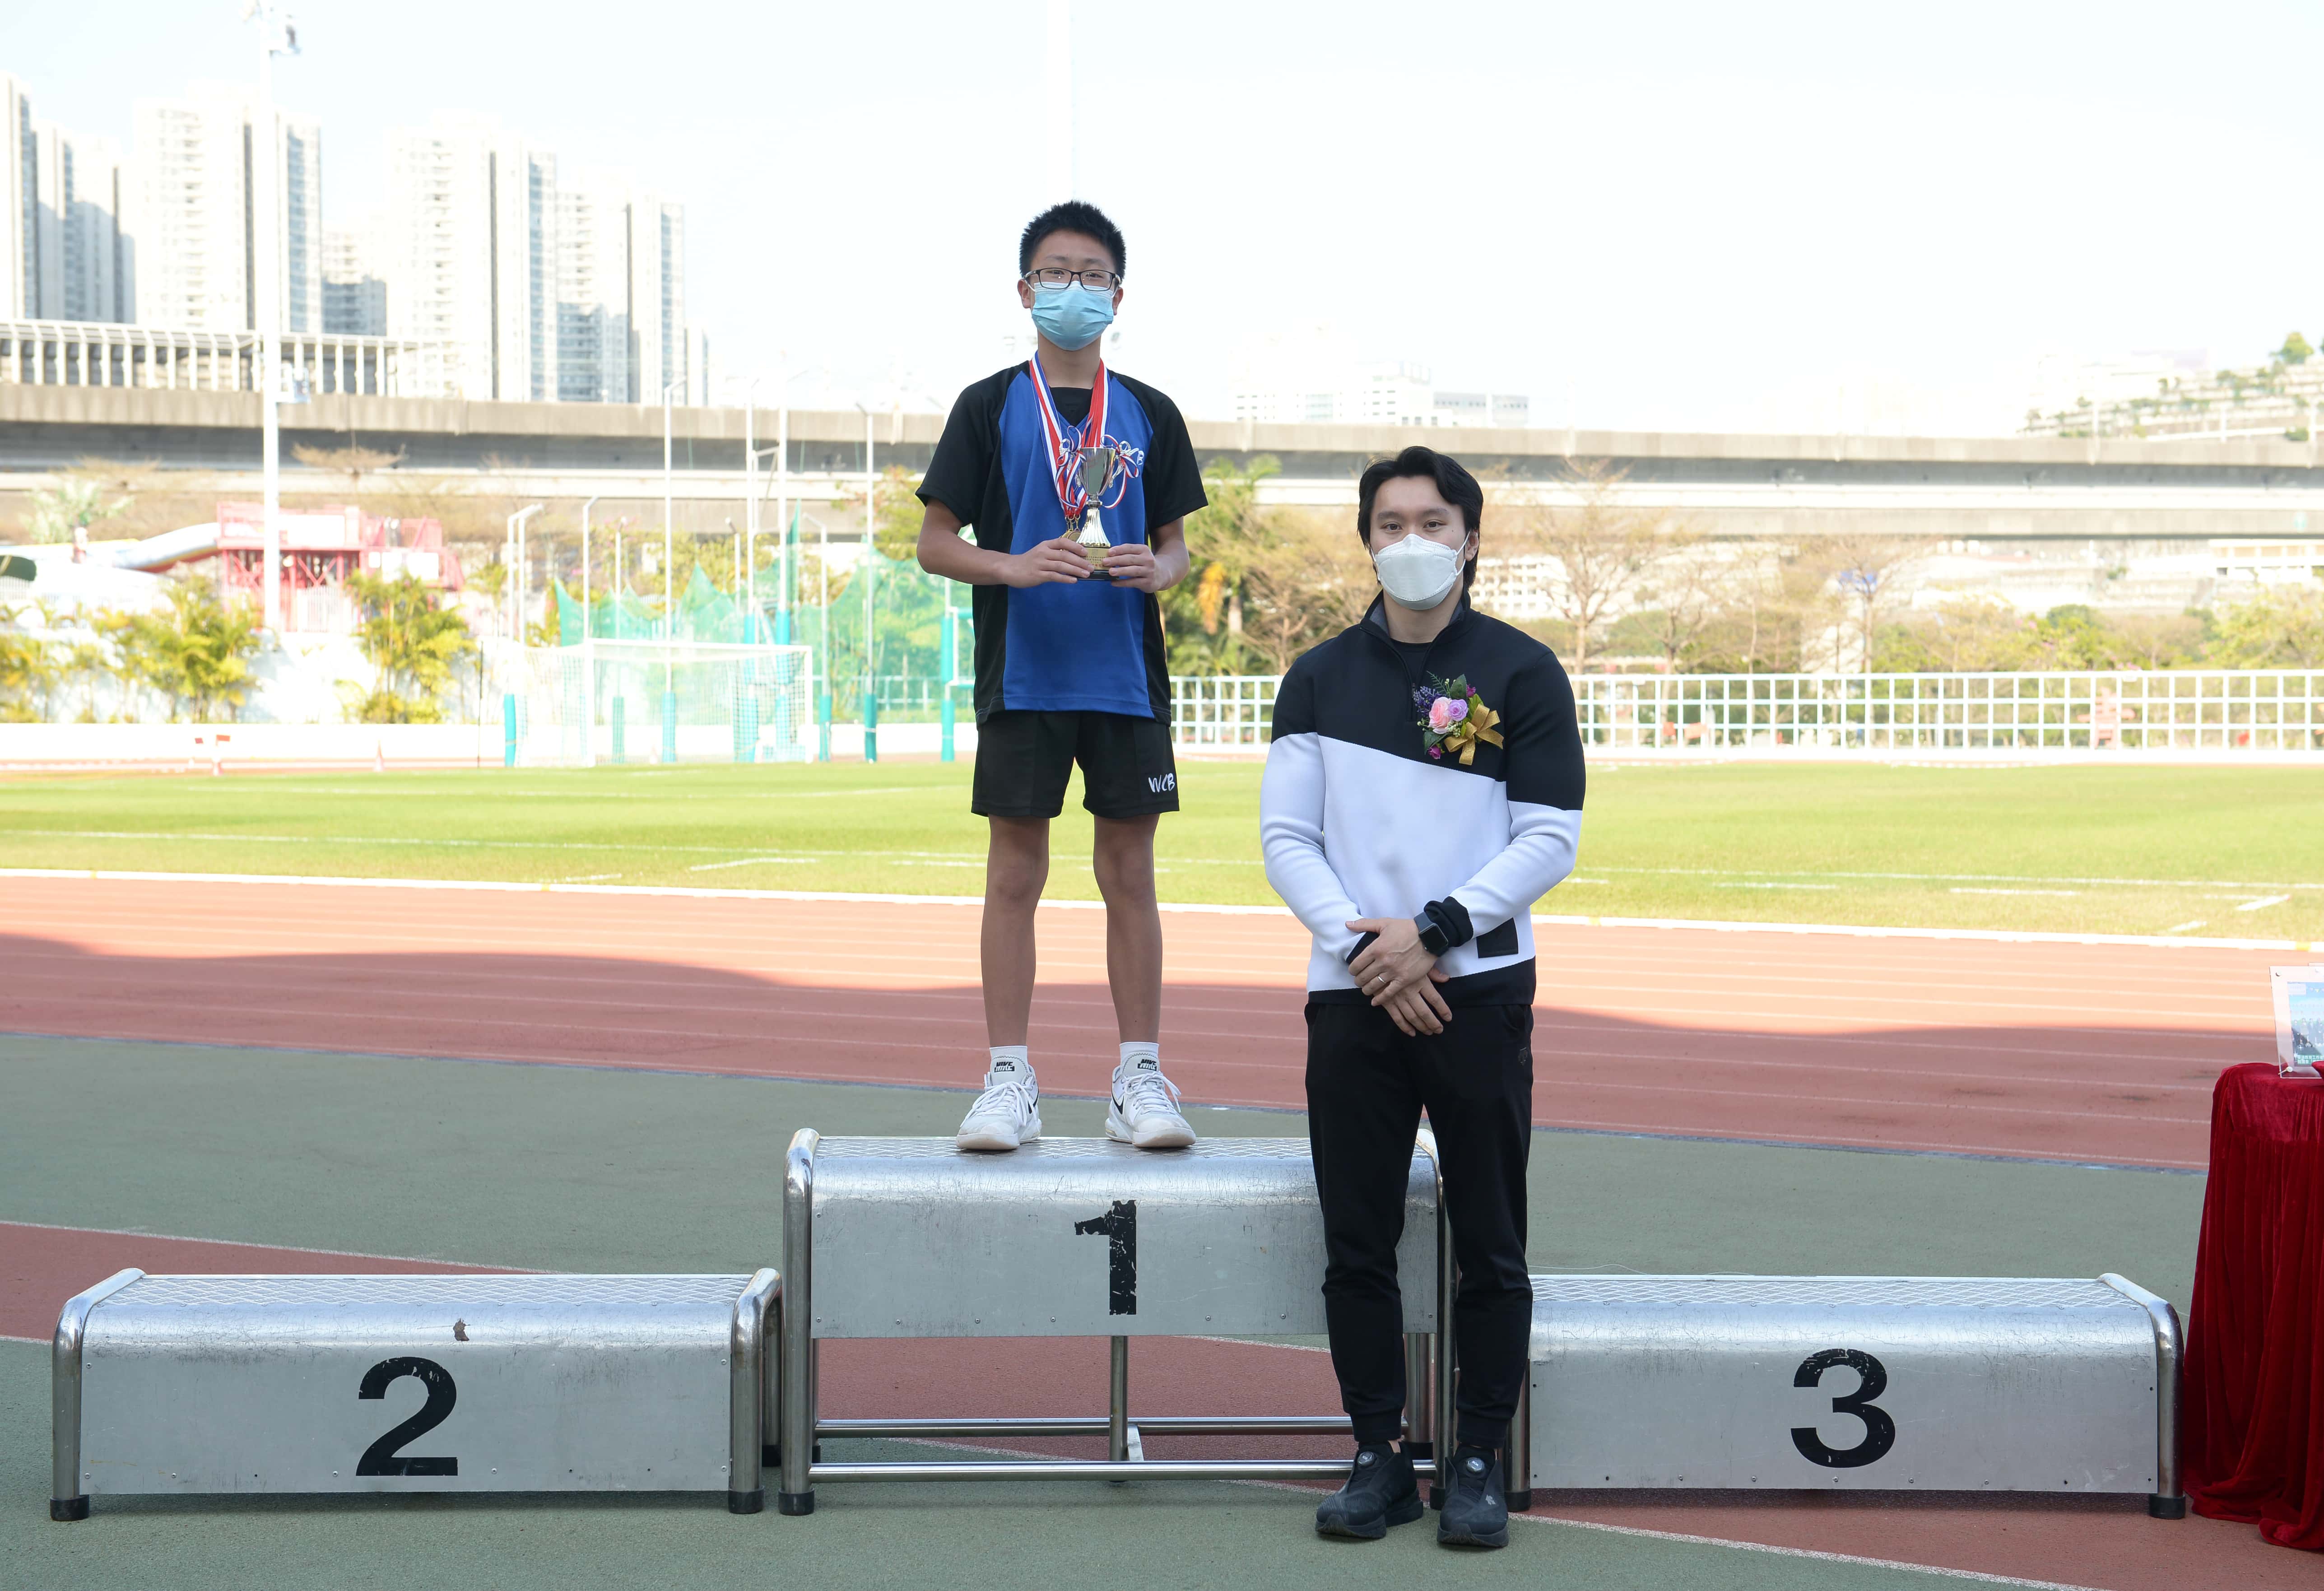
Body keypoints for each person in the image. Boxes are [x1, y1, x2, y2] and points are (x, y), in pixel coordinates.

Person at [1260, 445, 1585, 1548]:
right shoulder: (1316, 677)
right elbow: (1287, 838)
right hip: (1353, 990)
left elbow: (1550, 837)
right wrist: (1371, 954)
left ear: (1471, 539)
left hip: (1477, 988)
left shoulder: (1523, 670)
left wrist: (1435, 933)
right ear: (1367, 541)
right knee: (1356, 1242)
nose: (1412, 541)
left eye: (1434, 522)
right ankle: (1380, 1457)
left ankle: (1478, 1459)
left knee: (1491, 1239)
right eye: (1391, 523)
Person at [915, 200, 1208, 1154]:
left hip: (1125, 677)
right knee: (1015, 875)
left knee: (1131, 874)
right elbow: (934, 542)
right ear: (1024, 290)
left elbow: (1175, 549)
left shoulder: (1152, 412)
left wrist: (1156, 569)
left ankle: (1139, 1077)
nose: (1072, 289)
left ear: (1118, 296)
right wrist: (1014, 565)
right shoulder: (987, 405)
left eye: (1091, 275)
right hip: (1025, 676)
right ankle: (1009, 1078)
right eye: (1055, 273)